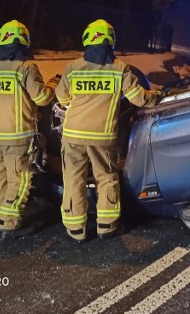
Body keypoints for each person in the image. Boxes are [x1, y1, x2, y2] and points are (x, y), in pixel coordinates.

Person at [55, 19, 160, 243]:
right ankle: (107, 226)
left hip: (72, 135)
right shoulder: (119, 68)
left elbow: (62, 97)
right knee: (106, 179)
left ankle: (76, 230)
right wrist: (156, 97)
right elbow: (139, 99)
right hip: (103, 138)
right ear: (111, 40)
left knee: (73, 179)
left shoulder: (73, 67)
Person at [0, 20, 58, 238]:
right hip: (18, 137)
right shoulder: (25, 67)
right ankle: (10, 224)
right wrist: (52, 84)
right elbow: (41, 98)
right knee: (19, 179)